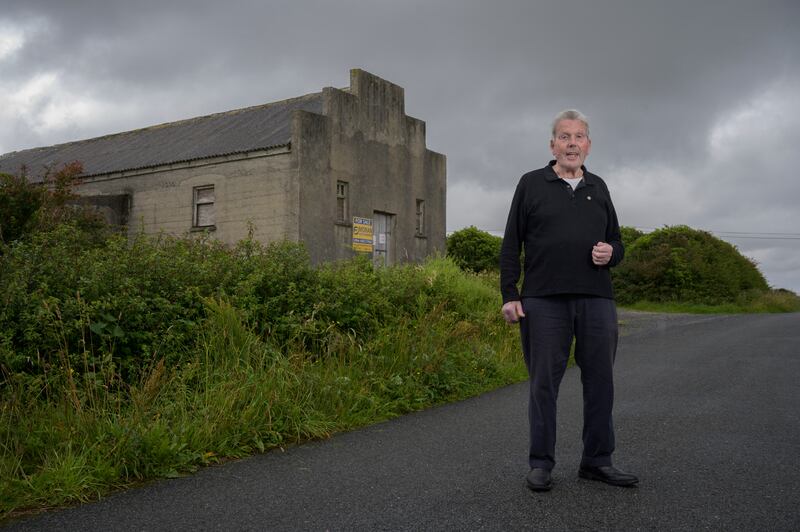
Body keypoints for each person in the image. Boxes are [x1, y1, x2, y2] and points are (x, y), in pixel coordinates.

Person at [499, 109, 638, 491]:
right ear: (553, 145)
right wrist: (510, 294)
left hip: (596, 299)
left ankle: (597, 461)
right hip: (543, 301)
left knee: (601, 383)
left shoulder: (599, 187)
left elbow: (619, 241)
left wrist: (612, 252)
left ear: (588, 145)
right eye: (564, 136)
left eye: (579, 137)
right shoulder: (531, 184)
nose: (572, 143)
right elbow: (511, 243)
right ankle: (541, 464)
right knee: (544, 384)